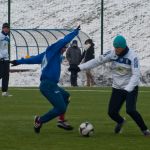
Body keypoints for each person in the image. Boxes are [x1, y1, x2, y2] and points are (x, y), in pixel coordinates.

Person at [10, 26, 80, 133]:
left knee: (66, 96)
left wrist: (18, 61)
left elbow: (32, 59)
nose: (65, 49)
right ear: (59, 45)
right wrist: (75, 32)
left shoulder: (48, 55)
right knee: (61, 108)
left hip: (51, 85)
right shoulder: (53, 50)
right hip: (48, 85)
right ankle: (40, 120)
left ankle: (61, 120)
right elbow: (65, 40)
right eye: (64, 47)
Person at [77, 35, 150, 136]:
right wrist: (79, 67)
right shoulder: (112, 54)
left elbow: (136, 75)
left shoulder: (133, 57)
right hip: (117, 87)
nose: (116, 50)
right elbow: (97, 61)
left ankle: (145, 130)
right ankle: (121, 121)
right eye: (114, 47)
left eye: (118, 48)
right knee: (112, 113)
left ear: (124, 47)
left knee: (131, 110)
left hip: (130, 87)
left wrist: (128, 89)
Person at [0, 23, 12, 97]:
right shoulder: (0, 36)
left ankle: (4, 92)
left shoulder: (7, 37)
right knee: (1, 74)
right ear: (2, 28)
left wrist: (6, 56)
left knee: (6, 75)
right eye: (5, 28)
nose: (7, 29)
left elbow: (5, 48)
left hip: (6, 59)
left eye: (8, 28)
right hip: (1, 59)